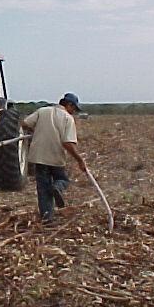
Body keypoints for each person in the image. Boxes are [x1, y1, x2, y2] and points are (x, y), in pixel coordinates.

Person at [21, 93, 87, 223]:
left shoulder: (43, 111)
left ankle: (47, 218)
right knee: (63, 179)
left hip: (38, 157)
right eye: (74, 109)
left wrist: (36, 131)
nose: (74, 112)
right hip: (56, 157)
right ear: (69, 105)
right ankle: (58, 187)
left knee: (43, 189)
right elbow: (67, 143)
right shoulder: (68, 119)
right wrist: (79, 160)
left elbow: (25, 123)